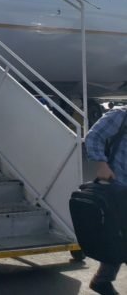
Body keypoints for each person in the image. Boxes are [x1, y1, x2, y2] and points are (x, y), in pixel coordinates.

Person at [85, 105, 127, 295]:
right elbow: (93, 137)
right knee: (120, 236)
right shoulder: (121, 115)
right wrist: (102, 164)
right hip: (118, 186)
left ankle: (102, 280)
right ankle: (102, 280)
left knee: (120, 239)